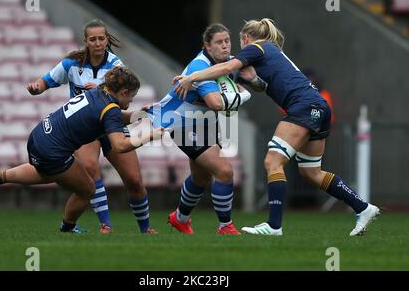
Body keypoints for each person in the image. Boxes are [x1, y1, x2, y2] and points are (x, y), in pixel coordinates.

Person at [173, 18, 380, 236]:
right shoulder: (270, 50)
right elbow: (266, 86)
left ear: (245, 38)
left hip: (303, 107)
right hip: (317, 106)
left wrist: (191, 78)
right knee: (312, 172)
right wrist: (254, 80)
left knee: (273, 161)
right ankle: (364, 208)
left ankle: (274, 225)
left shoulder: (256, 47)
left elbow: (227, 66)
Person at [0, 67, 164, 233]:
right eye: (131, 97)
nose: (131, 101)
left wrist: (140, 115)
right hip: (53, 150)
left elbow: (111, 117)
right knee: (88, 190)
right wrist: (149, 137)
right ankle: (68, 227)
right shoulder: (110, 108)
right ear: (123, 92)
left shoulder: (98, 92)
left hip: (39, 135)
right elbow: (120, 145)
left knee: (49, 174)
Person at [27, 19, 150, 233]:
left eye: (101, 38)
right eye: (92, 39)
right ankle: (106, 225)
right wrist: (37, 87)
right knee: (91, 169)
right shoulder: (71, 64)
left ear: (106, 39)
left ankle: (145, 228)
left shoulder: (116, 65)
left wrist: (101, 90)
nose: (98, 43)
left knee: (134, 180)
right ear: (86, 41)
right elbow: (47, 80)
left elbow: (123, 95)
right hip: (86, 129)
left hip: (111, 123)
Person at [146, 24, 264, 235]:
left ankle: (179, 219)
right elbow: (216, 103)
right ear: (207, 46)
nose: (225, 46)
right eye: (219, 42)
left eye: (227, 41)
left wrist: (254, 80)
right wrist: (244, 95)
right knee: (224, 171)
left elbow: (258, 85)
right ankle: (225, 226)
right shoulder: (199, 67)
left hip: (204, 120)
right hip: (180, 120)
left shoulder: (229, 62)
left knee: (201, 178)